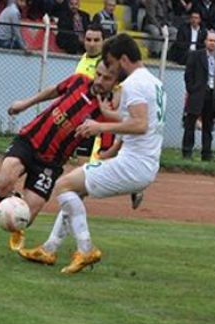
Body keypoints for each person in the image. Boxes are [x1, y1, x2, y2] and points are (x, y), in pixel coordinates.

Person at [19, 33, 166, 274]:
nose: (108, 67)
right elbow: (142, 121)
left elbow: (140, 125)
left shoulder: (134, 84)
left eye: (110, 61)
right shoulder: (154, 82)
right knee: (75, 189)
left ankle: (86, 249)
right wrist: (111, 135)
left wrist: (101, 126)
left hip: (134, 165)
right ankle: (49, 248)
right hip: (141, 162)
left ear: (123, 59)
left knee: (64, 185)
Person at [0, 60, 121, 257]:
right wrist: (25, 104)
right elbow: (53, 91)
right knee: (4, 180)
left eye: (106, 78)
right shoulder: (78, 81)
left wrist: (115, 157)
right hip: (29, 139)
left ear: (116, 82)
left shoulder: (108, 114)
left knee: (25, 216)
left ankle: (17, 218)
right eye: (98, 74)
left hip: (51, 163)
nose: (99, 80)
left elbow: (105, 150)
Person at [74, 24, 145, 209]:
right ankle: (76, 200)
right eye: (88, 39)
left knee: (108, 156)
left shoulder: (109, 63)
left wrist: (112, 107)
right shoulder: (82, 61)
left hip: (106, 115)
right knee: (83, 158)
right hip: (88, 114)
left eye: (96, 40)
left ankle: (135, 185)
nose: (91, 44)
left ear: (103, 41)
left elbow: (122, 87)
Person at [182, 31, 215, 162]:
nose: (212, 43)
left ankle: (206, 154)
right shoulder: (196, 55)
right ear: (205, 41)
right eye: (210, 40)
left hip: (212, 96)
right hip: (198, 94)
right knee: (190, 124)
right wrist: (192, 90)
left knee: (208, 127)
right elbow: (188, 75)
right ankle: (187, 152)